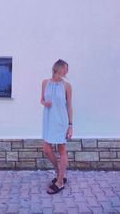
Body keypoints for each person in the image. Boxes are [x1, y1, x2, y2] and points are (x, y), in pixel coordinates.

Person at [41, 59, 73, 194]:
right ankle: (59, 172)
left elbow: (69, 106)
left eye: (67, 69)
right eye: (65, 68)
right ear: (57, 68)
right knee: (46, 148)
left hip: (61, 121)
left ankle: (60, 182)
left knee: (61, 149)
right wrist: (44, 103)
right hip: (48, 120)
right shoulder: (45, 83)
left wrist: (70, 125)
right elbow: (41, 100)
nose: (66, 71)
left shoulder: (66, 86)